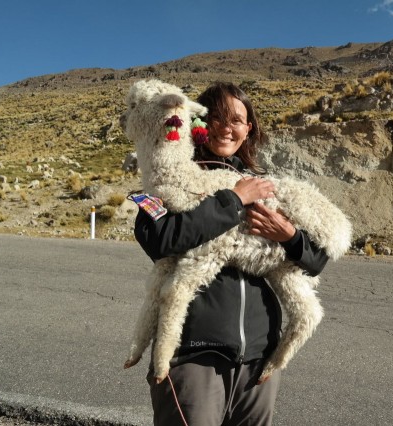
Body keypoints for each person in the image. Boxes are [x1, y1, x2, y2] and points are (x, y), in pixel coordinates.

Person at [134, 81, 329, 426]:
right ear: (198, 121)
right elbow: (159, 240)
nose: (227, 127)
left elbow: (315, 261)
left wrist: (289, 236)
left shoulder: (263, 185)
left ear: (248, 128)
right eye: (218, 118)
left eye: (237, 120)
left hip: (256, 358)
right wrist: (234, 200)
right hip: (193, 355)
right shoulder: (169, 182)